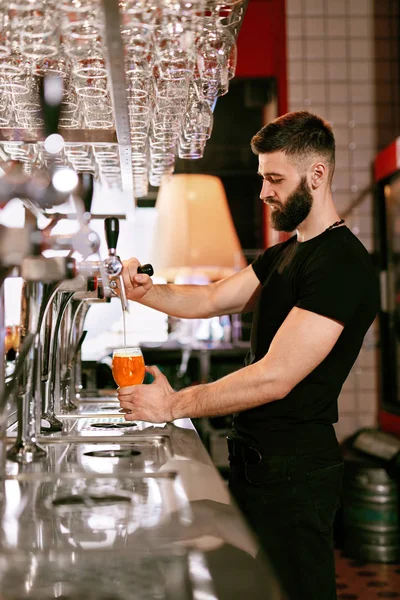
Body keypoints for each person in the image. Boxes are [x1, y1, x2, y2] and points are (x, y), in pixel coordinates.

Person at [118, 111, 379, 600]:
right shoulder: (285, 254)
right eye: (262, 178)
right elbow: (210, 299)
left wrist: (173, 405)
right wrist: (143, 291)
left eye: (275, 178)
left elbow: (274, 378)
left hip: (296, 470)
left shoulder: (341, 263)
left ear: (317, 175)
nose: (264, 192)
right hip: (259, 460)